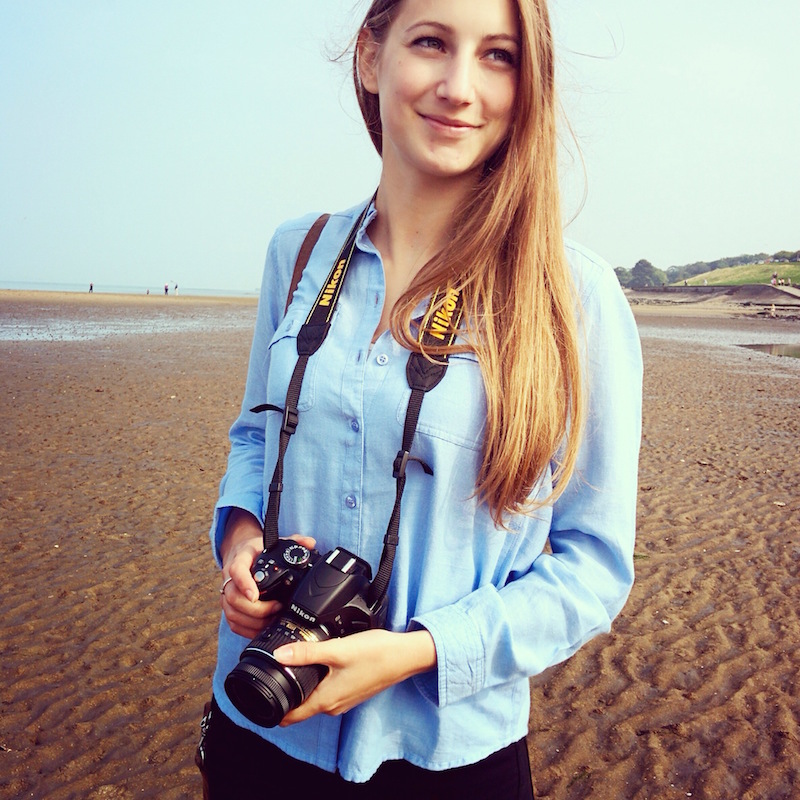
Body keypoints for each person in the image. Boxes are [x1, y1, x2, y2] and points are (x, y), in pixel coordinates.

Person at [199, 0, 642, 797]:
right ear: (371, 58)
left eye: (498, 56)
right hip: (259, 717)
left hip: (447, 752)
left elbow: (593, 568)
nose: (459, 86)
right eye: (431, 42)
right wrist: (240, 542)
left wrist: (418, 649)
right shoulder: (296, 252)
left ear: (528, 82)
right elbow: (254, 437)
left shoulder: (572, 296)